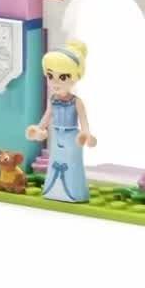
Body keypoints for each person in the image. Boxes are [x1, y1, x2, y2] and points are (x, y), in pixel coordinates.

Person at [26, 42, 95, 203]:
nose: (55, 82)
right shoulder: (53, 100)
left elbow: (84, 124)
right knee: (55, 162)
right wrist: (38, 129)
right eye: (50, 76)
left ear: (75, 76)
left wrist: (86, 135)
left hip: (72, 137)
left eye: (63, 77)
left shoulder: (77, 102)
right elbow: (46, 117)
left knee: (71, 164)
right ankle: (53, 192)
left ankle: (74, 194)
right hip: (56, 135)